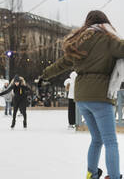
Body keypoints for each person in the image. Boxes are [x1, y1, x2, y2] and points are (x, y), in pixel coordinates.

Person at [39, 10, 123, 179]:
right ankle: (114, 177)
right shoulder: (108, 39)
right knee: (110, 141)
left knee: (97, 139)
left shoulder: (78, 42)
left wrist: (44, 75)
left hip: (82, 98)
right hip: (100, 96)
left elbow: (61, 64)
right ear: (105, 23)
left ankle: (91, 173)